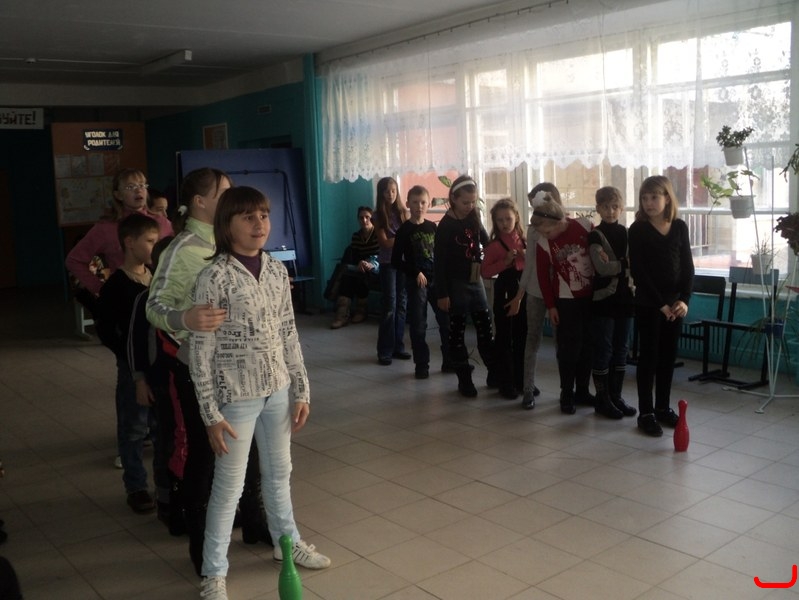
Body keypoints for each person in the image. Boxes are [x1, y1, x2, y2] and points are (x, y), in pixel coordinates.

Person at [191, 186, 330, 600]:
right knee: (229, 488)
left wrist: (301, 389)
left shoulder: (274, 270)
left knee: (279, 473)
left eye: (264, 215)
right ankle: (214, 573)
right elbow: (201, 351)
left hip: (277, 391)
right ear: (227, 224)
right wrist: (210, 413)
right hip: (236, 398)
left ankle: (287, 543)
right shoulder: (214, 277)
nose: (259, 224)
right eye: (248, 217)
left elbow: (288, 332)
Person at [146, 167, 232, 574]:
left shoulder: (228, 241)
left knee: (240, 453)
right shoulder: (182, 248)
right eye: (223, 193)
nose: (231, 199)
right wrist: (185, 318)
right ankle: (201, 549)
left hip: (234, 369)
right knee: (201, 456)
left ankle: (249, 523)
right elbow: (154, 306)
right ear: (200, 202)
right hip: (195, 369)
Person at [96, 213, 163, 513]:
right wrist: (127, 355)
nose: (154, 247)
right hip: (132, 367)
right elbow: (106, 329)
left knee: (160, 427)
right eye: (150, 241)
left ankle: (165, 484)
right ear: (129, 242)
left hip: (159, 364)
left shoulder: (157, 278)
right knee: (133, 427)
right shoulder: (116, 285)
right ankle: (136, 486)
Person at [628, 175, 694, 437]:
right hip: (649, 303)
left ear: (667, 198)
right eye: (644, 198)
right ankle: (646, 413)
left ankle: (662, 407)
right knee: (649, 358)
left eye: (654, 197)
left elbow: (687, 267)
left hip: (675, 304)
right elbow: (639, 272)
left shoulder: (679, 227)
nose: (649, 203)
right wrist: (660, 304)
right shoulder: (638, 230)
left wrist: (684, 300)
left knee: (667, 358)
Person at [532, 193, 595, 414]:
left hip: (591, 297)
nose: (545, 236)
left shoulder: (584, 225)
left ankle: (583, 390)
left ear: (560, 222)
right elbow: (543, 277)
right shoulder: (543, 243)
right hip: (566, 300)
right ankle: (566, 392)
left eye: (548, 231)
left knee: (587, 346)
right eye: (542, 233)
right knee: (569, 349)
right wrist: (551, 306)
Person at [434, 175, 497, 397]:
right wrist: (442, 293)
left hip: (474, 280)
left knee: (485, 327)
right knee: (457, 332)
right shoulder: (445, 226)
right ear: (453, 198)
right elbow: (439, 263)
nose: (469, 206)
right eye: (465, 202)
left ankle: (494, 373)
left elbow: (485, 241)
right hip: (455, 284)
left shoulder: (473, 215)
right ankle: (464, 379)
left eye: (473, 202)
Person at [66, 168, 173, 297]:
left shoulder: (162, 223)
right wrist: (101, 288)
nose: (138, 190)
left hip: (162, 293)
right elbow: (74, 260)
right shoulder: (106, 228)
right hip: (124, 294)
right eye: (130, 187)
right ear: (118, 195)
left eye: (142, 185)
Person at [507, 183, 561, 409]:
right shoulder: (533, 230)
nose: (535, 212)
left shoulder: (564, 225)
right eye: (532, 207)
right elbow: (529, 264)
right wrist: (519, 295)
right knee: (533, 339)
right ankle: (528, 390)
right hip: (535, 292)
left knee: (561, 343)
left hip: (560, 294)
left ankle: (567, 391)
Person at [391, 185, 451, 379]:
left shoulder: (432, 227)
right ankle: (422, 365)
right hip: (417, 284)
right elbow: (395, 261)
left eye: (423, 202)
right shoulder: (404, 231)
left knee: (446, 321)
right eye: (415, 202)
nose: (419, 206)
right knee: (418, 325)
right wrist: (415, 272)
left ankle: (449, 360)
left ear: (429, 203)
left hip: (436, 281)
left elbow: (440, 255)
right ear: (408, 204)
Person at [587, 186, 637, 419]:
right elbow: (601, 268)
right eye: (605, 207)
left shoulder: (627, 233)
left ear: (622, 208)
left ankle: (616, 396)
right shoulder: (595, 235)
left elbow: (636, 263)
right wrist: (624, 264)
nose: (610, 211)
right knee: (604, 349)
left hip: (626, 299)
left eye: (615, 207)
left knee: (621, 349)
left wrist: (617, 265)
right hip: (604, 300)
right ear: (598, 208)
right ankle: (602, 399)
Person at [482, 198, 527, 400]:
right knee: (505, 337)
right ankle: (505, 382)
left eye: (508, 219)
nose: (504, 223)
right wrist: (505, 261)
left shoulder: (524, 240)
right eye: (499, 220)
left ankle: (522, 380)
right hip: (505, 292)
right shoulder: (494, 246)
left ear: (516, 217)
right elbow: (485, 272)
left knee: (522, 337)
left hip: (523, 291)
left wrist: (526, 255)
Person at [372, 177, 410, 365]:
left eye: (394, 190)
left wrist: (401, 239)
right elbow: (385, 242)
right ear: (381, 193)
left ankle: (398, 347)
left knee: (401, 305)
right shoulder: (378, 215)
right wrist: (402, 238)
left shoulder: (403, 213)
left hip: (403, 263)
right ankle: (385, 350)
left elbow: (409, 238)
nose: (391, 194)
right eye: (387, 191)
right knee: (389, 306)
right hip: (388, 264)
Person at [330, 206, 380, 328]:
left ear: (372, 218)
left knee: (361, 275)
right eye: (361, 218)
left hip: (377, 267)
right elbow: (355, 255)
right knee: (349, 275)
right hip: (361, 265)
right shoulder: (356, 236)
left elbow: (381, 255)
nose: (364, 220)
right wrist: (360, 263)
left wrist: (369, 263)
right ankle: (342, 315)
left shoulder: (378, 233)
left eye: (367, 217)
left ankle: (361, 311)